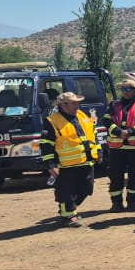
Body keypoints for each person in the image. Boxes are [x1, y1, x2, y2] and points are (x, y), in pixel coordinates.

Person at [39, 91, 102, 227]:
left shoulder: (81, 115)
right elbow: (46, 145)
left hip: (86, 161)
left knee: (87, 188)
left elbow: (93, 134)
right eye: (74, 103)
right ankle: (67, 216)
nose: (77, 105)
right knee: (66, 191)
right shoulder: (52, 121)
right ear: (63, 105)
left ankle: (70, 209)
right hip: (66, 165)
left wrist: (99, 151)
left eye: (78, 102)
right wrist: (51, 165)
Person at [105, 79, 135, 211]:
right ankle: (116, 203)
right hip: (117, 148)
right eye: (123, 89)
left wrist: (130, 132)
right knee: (115, 176)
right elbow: (106, 121)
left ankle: (133, 202)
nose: (125, 92)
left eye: (128, 89)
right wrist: (118, 132)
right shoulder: (114, 105)